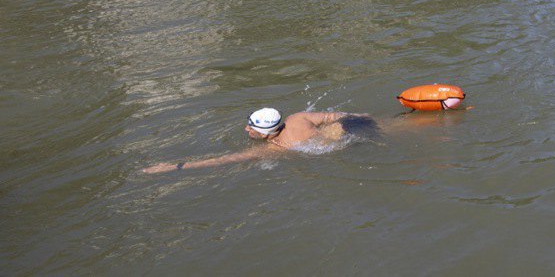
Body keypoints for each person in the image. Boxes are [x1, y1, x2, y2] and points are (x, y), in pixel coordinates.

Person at [142, 108, 379, 174]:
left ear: (266, 134)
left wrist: (175, 167)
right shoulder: (298, 117)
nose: (246, 128)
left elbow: (223, 160)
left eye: (251, 128)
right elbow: (335, 116)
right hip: (351, 129)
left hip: (346, 147)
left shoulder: (276, 148)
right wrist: (364, 117)